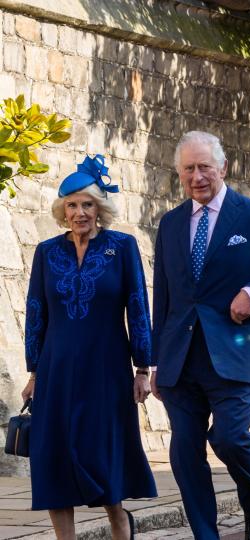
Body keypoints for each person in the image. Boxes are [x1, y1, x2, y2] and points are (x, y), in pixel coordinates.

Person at [151, 131, 250, 539]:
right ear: (179, 173)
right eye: (189, 169)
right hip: (180, 359)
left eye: (205, 167)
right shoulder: (169, 225)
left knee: (231, 437)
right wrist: (153, 361)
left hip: (233, 353)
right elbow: (164, 297)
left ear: (223, 168)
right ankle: (205, 533)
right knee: (185, 450)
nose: (197, 176)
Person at [21, 155, 156, 540]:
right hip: (56, 369)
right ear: (62, 211)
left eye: (87, 204)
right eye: (72, 205)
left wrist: (143, 368)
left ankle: (118, 521)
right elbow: (35, 313)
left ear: (100, 208)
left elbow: (137, 306)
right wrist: (34, 372)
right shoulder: (46, 253)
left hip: (107, 368)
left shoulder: (122, 246)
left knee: (103, 456)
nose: (80, 213)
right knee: (54, 459)